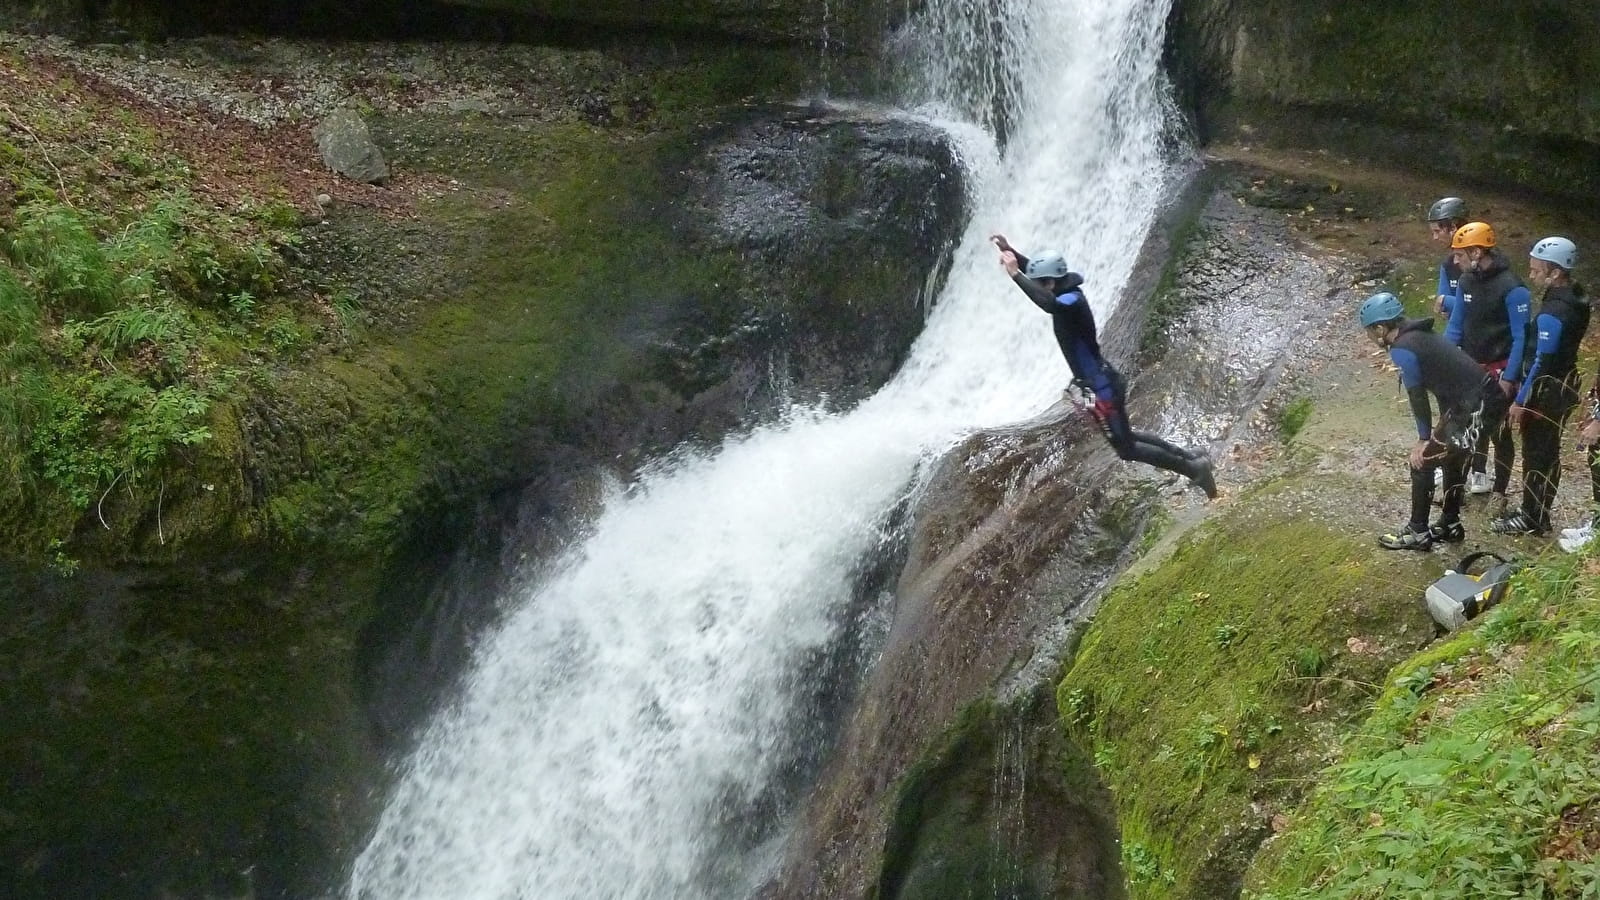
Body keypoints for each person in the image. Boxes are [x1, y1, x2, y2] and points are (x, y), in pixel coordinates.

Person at [991, 234, 1217, 499]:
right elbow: (1044, 280)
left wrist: (1016, 275)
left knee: (1127, 449)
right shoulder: (1065, 291)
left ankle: (1194, 469)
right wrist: (1012, 252)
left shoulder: (1068, 301)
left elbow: (1047, 302)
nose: (1041, 286)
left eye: (1042, 283)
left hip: (1101, 389)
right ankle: (1191, 458)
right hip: (1098, 384)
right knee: (1127, 437)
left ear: (1051, 282)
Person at [1360, 291, 1510, 550]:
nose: (1369, 338)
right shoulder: (1419, 336)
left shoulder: (1403, 349)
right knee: (1451, 457)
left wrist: (1423, 439)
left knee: (1422, 462)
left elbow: (1417, 397)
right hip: (1478, 401)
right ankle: (1450, 523)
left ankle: (1417, 531)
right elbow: (1445, 384)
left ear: (1381, 328)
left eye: (1370, 332)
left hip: (1478, 405)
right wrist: (1441, 428)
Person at [1495, 237, 1590, 536]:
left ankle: (1533, 517)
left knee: (1539, 453)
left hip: (1548, 392)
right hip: (1564, 383)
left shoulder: (1555, 312)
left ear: (1556, 271)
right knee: (1547, 451)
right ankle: (1535, 511)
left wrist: (1521, 400)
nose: (1532, 274)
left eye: (1537, 269)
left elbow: (1541, 362)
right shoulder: (1573, 295)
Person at [1444, 221, 1530, 502]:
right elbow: (1456, 324)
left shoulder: (1513, 288)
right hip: (1471, 367)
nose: (1455, 261)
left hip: (1500, 368)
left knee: (1500, 434)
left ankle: (1500, 491)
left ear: (1477, 252)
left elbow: (1521, 337)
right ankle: (1468, 479)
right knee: (1468, 426)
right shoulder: (1467, 281)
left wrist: (1510, 377)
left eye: (1460, 255)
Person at [1426, 197, 1470, 319]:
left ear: (1453, 228)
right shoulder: (1448, 265)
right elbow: (1442, 305)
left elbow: (1481, 306)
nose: (1434, 237)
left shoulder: (1486, 261)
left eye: (1437, 231)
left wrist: (1447, 301)